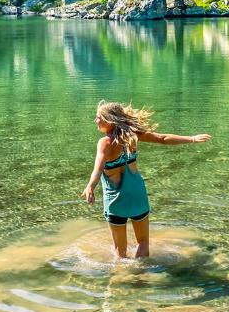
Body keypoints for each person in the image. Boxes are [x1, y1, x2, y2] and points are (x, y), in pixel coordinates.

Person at [81, 100, 211, 258]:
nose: (96, 120)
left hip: (116, 201)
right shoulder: (132, 136)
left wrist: (90, 186)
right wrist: (191, 138)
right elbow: (162, 138)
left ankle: (122, 280)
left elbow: (99, 167)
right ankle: (143, 277)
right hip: (137, 196)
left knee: (119, 250)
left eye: (98, 117)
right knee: (143, 243)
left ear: (109, 120)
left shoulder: (105, 143)